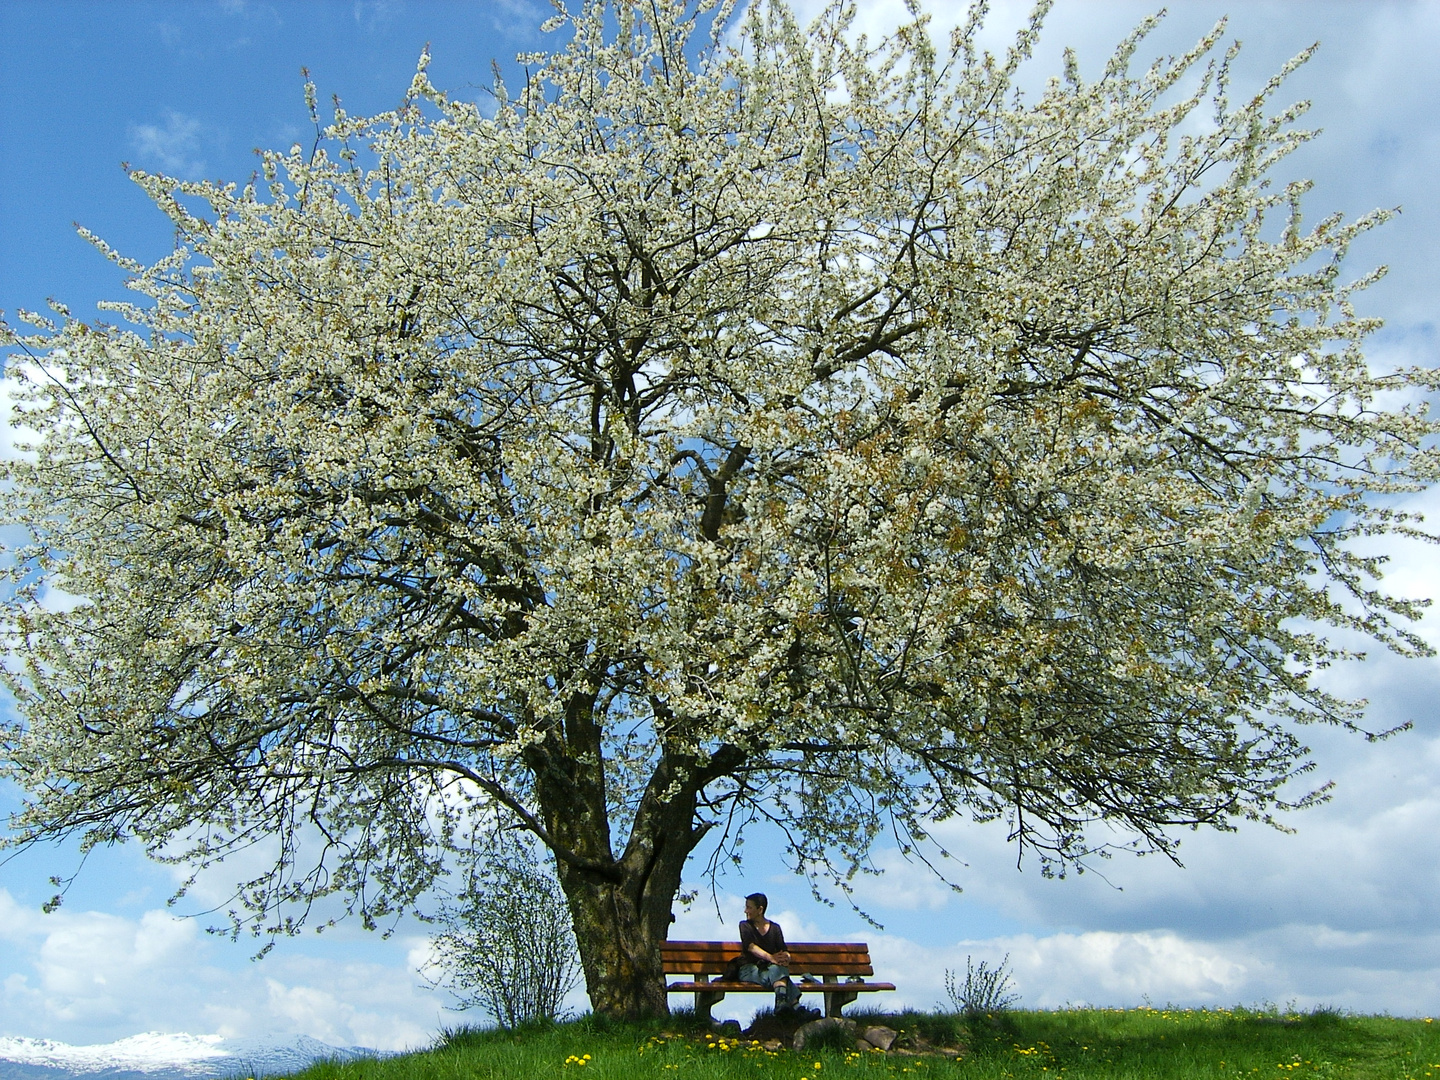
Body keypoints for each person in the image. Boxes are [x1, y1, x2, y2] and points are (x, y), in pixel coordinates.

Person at [737, 892, 802, 1011]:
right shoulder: (744, 926)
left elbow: (783, 949)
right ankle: (796, 1006)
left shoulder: (775, 928)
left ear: (760, 910)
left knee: (777, 969)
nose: (745, 911)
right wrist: (771, 958)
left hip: (770, 970)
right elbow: (751, 947)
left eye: (749, 907)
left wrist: (786, 958)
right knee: (778, 972)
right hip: (749, 970)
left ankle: (782, 1004)